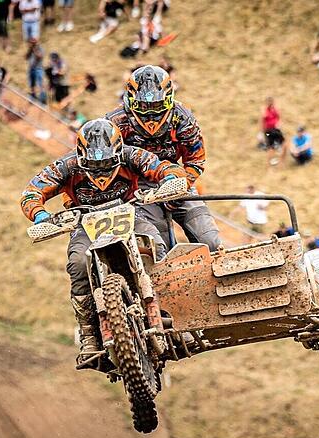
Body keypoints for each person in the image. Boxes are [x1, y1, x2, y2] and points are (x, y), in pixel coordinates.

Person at [19, 119, 187, 366]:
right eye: (93, 166)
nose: (100, 172)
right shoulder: (66, 166)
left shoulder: (132, 155)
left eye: (107, 165)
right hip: (84, 223)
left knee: (155, 243)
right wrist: (41, 215)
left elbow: (165, 168)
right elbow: (31, 192)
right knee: (77, 263)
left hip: (130, 214)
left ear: (118, 151)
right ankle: (88, 333)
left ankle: (169, 309)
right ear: (81, 155)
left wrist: (170, 182)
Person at [105, 65, 221, 251]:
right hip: (138, 187)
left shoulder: (183, 117)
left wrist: (182, 184)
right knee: (159, 248)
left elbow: (196, 160)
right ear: (130, 101)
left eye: (157, 106)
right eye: (143, 107)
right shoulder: (114, 123)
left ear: (168, 99)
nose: (151, 116)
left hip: (177, 178)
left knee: (210, 238)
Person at [260, 97, 286, 166]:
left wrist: (279, 123)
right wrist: (262, 133)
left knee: (284, 144)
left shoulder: (274, 109)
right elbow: (262, 121)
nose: (270, 104)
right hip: (268, 132)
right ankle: (270, 163)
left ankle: (281, 161)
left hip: (276, 130)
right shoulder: (264, 110)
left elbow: (279, 117)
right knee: (271, 147)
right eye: (269, 103)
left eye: (271, 102)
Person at [25, 37, 47, 103]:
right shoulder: (30, 49)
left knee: (40, 84)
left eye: (30, 43)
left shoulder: (40, 48)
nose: (29, 44)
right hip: (31, 69)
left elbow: (39, 57)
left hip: (38, 69)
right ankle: (33, 96)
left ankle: (43, 99)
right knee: (32, 84)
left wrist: (34, 49)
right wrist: (30, 50)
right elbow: (26, 57)